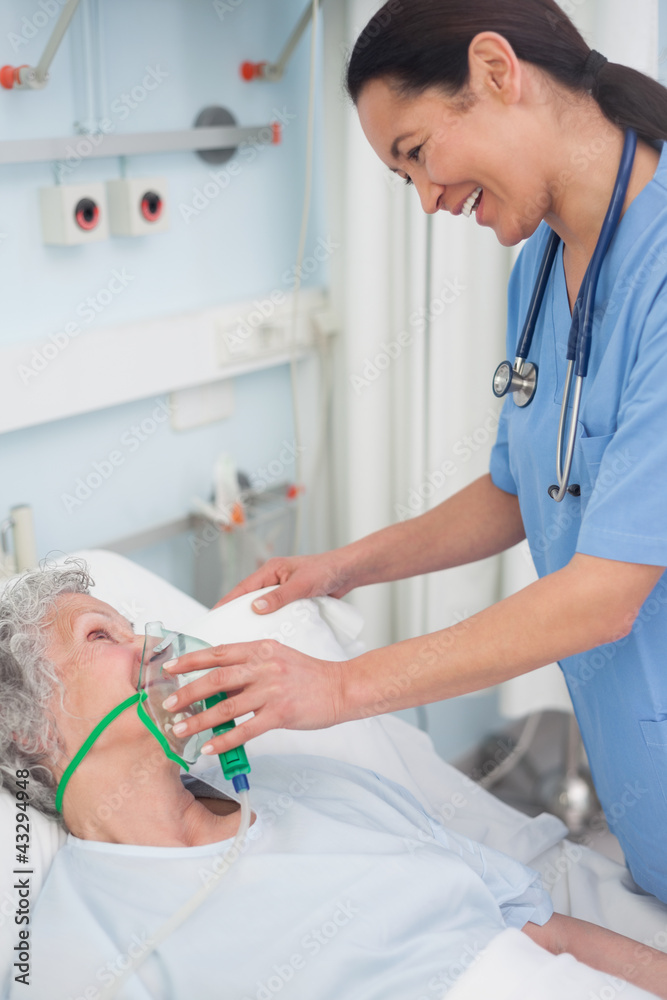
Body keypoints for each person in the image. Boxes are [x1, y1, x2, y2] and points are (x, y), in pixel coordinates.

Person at [158, 0, 667, 908]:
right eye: (403, 180)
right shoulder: (541, 271)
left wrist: (340, 686)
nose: (428, 200)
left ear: (495, 71)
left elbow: (605, 593)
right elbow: (524, 489)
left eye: (417, 154)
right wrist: (339, 570)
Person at [2, 565, 667, 1000]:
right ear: (31, 727)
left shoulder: (313, 783)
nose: (155, 646)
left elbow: (543, 932)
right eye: (101, 636)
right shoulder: (74, 940)